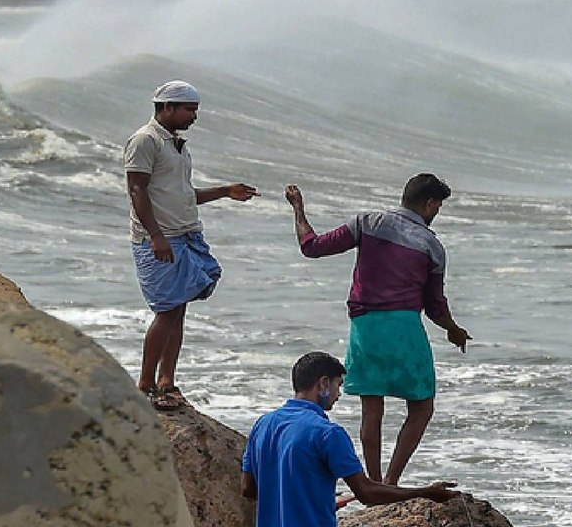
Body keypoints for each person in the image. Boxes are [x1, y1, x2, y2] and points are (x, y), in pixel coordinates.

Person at [284, 174, 472, 485]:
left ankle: (372, 484)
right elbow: (435, 306)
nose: (437, 211)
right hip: (404, 328)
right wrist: (454, 330)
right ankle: (391, 481)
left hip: (365, 326)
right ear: (428, 204)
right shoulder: (431, 246)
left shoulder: (368, 222)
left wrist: (299, 210)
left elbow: (312, 247)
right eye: (437, 205)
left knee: (372, 408)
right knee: (422, 407)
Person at [125, 80, 259, 410]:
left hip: (185, 235)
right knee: (167, 311)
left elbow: (183, 195)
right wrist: (155, 235)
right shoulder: (145, 140)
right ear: (167, 108)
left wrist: (226, 191)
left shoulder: (177, 146)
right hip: (160, 237)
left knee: (178, 310)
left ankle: (166, 381)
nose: (194, 116)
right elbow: (137, 191)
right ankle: (144, 384)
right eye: (189, 109)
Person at [241, 352, 459, 527]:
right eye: (338, 385)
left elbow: (248, 488)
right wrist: (427, 493)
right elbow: (366, 492)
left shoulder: (263, 425)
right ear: (323, 384)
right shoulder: (327, 433)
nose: (339, 393)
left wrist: (314, 500)